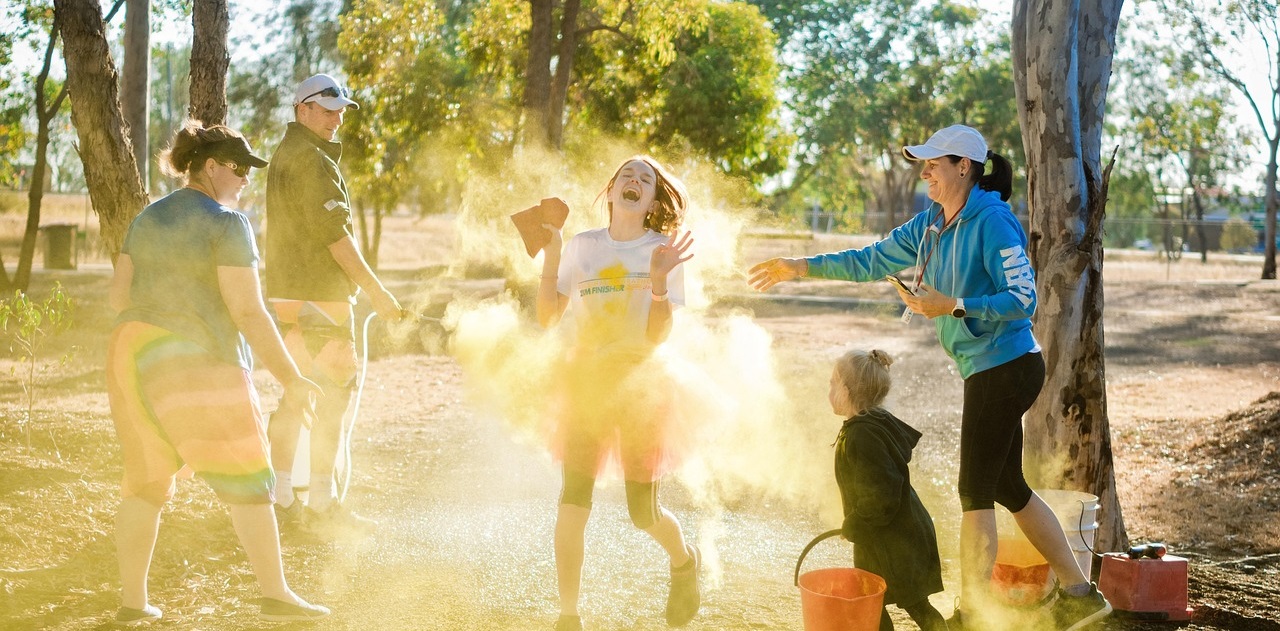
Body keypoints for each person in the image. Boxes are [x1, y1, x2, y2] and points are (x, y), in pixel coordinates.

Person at [748, 125, 1112, 631]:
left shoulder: (993, 222)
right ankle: (1079, 593)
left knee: (973, 492)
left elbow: (1023, 299)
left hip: (1006, 367)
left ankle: (970, 613)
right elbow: (870, 260)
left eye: (933, 163)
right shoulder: (930, 226)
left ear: (964, 167)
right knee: (1008, 487)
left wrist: (953, 306)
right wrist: (800, 266)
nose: (924, 172)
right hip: (988, 370)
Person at [105, 120, 329, 624]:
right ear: (209, 167)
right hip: (198, 359)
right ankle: (276, 595)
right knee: (249, 476)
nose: (246, 178)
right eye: (238, 168)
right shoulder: (228, 224)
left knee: (145, 481)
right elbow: (249, 312)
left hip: (133, 356)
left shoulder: (146, 219)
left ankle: (133, 603)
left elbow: (118, 297)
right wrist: (293, 378)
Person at [536, 156, 699, 631]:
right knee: (572, 501)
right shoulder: (583, 247)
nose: (634, 181)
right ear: (610, 192)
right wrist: (552, 254)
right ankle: (569, 616)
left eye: (645, 179)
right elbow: (547, 319)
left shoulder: (662, 249)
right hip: (586, 385)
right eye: (627, 175)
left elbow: (655, 338)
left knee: (642, 512)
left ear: (651, 201)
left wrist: (659, 284)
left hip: (639, 389)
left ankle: (684, 560)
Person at [263, 73, 404, 534]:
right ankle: (316, 503)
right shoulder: (311, 160)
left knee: (297, 393)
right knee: (332, 397)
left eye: (340, 110)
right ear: (302, 109)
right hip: (317, 298)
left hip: (290, 294)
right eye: (327, 110)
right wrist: (377, 292)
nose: (336, 118)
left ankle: (285, 499)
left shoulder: (290, 154)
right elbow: (335, 237)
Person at [829, 349, 947, 631]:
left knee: (904, 603)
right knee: (873, 603)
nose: (829, 389)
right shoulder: (866, 426)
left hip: (897, 541)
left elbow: (881, 494)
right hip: (885, 537)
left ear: (846, 390)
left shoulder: (864, 434)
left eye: (832, 383)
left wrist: (854, 523)